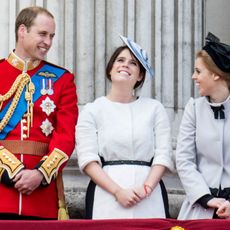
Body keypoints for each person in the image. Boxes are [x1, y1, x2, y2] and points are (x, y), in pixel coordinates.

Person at [76, 35, 174, 219]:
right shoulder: (92, 110)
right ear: (110, 69)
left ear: (140, 75)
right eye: (120, 60)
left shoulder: (155, 108)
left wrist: (146, 188)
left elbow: (163, 154)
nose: (125, 65)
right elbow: (88, 159)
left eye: (133, 63)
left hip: (148, 195)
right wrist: (118, 192)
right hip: (107, 195)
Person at [0, 6, 78, 220]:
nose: (48, 42)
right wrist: (11, 170)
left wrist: (40, 174)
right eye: (42, 34)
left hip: (41, 195)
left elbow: (66, 137)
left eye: (51, 36)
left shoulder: (62, 79)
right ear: (22, 30)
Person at [176, 32, 230, 219]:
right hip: (200, 209)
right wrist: (205, 198)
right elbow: (184, 159)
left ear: (215, 75)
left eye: (198, 71)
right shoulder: (193, 109)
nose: (193, 76)